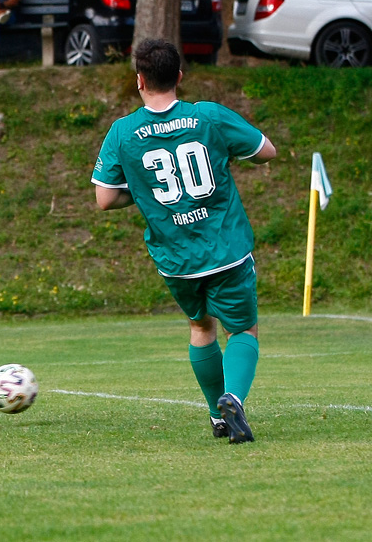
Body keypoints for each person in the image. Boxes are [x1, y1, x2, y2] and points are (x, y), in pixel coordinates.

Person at [91, 39, 277, 444]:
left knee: (200, 326)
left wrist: (142, 192)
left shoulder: (122, 131)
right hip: (225, 247)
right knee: (243, 330)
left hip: (175, 256)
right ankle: (234, 398)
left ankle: (217, 415)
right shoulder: (207, 115)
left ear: (139, 80)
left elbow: (105, 198)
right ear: (179, 75)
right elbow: (267, 151)